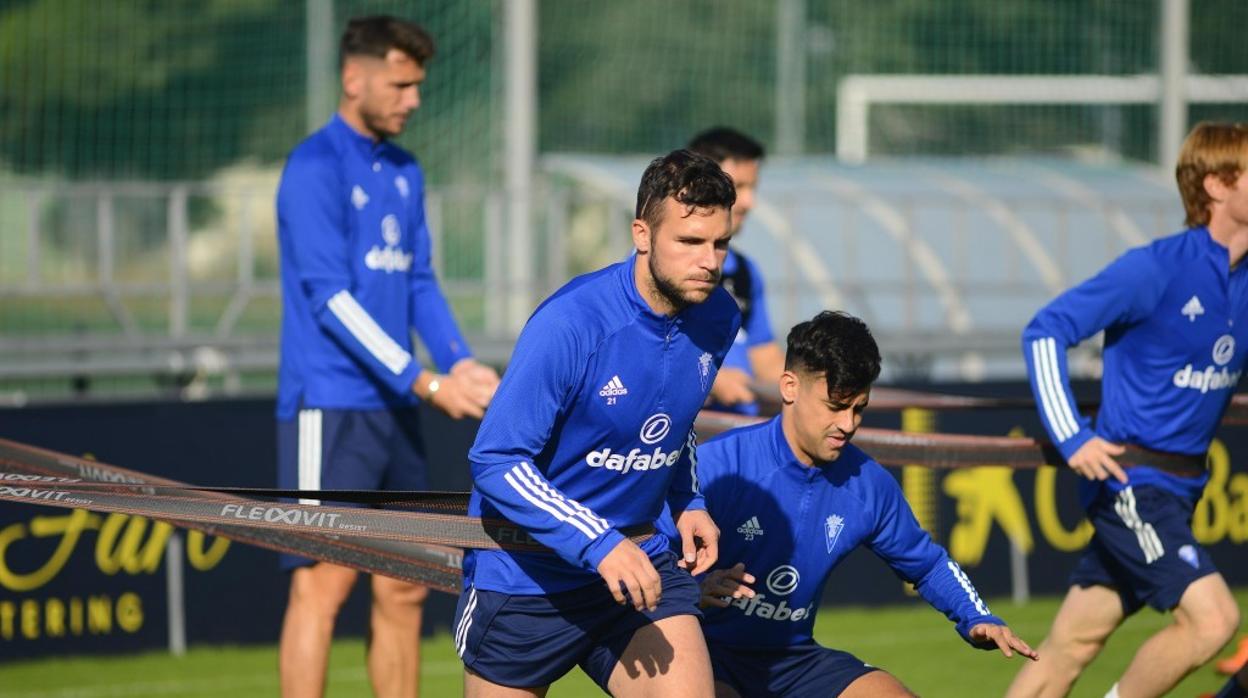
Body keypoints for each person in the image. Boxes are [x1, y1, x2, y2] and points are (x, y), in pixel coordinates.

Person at [453, 149, 742, 697]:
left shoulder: (719, 316)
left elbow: (674, 423)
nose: (709, 261)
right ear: (642, 234)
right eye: (688, 242)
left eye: (720, 243)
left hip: (641, 563)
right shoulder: (570, 324)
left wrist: (689, 501)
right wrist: (598, 543)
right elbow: (494, 459)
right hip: (527, 575)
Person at [274, 15, 499, 698]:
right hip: (330, 405)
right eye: (400, 84)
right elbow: (330, 301)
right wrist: (426, 381)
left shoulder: (405, 170)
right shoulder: (313, 166)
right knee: (324, 586)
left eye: (417, 84)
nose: (414, 98)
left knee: (405, 585)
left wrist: (458, 361)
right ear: (354, 78)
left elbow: (420, 279)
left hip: (396, 407)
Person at [1008, 122, 1248, 698]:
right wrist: (1073, 437)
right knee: (1214, 620)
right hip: (1130, 484)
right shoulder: (1157, 268)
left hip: (1178, 490)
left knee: (1071, 647)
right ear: (1216, 185)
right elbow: (1045, 331)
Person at [683, 310, 1035, 697]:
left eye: (859, 408)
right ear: (789, 387)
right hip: (703, 649)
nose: (848, 424)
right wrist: (692, 590)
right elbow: (647, 554)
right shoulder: (720, 465)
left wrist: (976, 616)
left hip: (793, 661)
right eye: (835, 406)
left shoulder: (867, 484)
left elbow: (928, 564)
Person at [688, 127, 784, 415]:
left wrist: (811, 390)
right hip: (679, 444)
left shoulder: (745, 271)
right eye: (738, 187)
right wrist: (711, 381)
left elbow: (765, 358)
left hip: (737, 441)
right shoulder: (655, 267)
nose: (749, 202)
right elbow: (643, 353)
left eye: (753, 188)